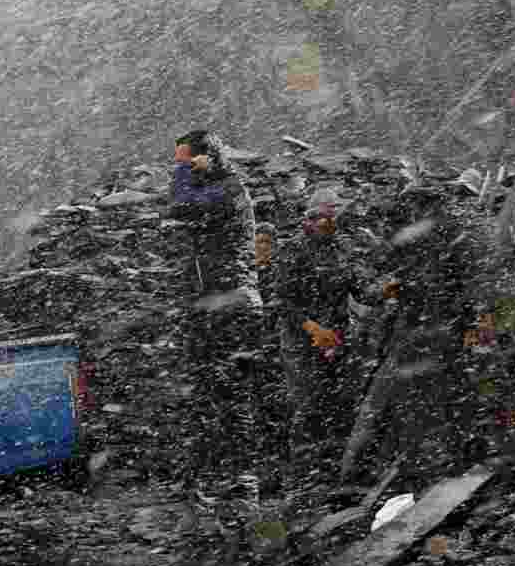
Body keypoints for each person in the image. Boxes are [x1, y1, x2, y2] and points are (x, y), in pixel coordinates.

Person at [169, 130, 266, 500]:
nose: (181, 166)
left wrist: (181, 170)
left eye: (186, 158)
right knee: (209, 391)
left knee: (231, 391)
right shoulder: (212, 190)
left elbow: (179, 204)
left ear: (206, 156)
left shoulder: (229, 189)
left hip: (232, 303)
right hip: (212, 301)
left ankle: (244, 479)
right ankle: (216, 478)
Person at [276, 203, 400, 484]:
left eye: (332, 220)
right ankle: (301, 474)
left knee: (338, 403)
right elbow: (283, 301)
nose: (328, 225)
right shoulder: (293, 251)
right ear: (309, 222)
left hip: (337, 339)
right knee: (308, 404)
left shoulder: (340, 250)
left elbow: (362, 292)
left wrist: (389, 289)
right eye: (322, 220)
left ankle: (331, 469)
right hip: (301, 341)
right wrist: (313, 328)